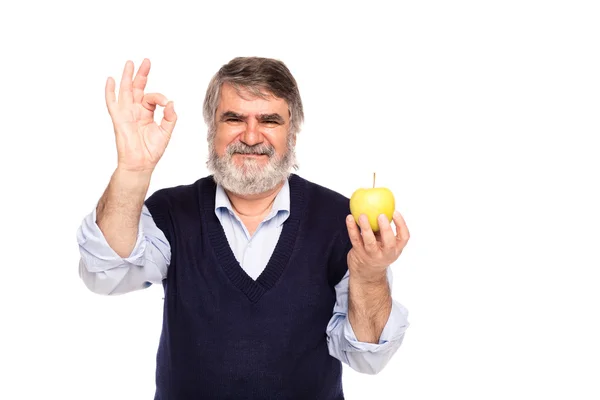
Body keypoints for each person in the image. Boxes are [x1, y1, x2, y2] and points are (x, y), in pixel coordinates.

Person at [77, 57, 411, 399]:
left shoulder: (341, 221)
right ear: (211, 128)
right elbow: (105, 274)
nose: (251, 137)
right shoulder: (172, 212)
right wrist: (133, 169)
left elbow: (367, 357)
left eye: (269, 120)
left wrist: (370, 274)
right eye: (234, 118)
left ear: (292, 131)